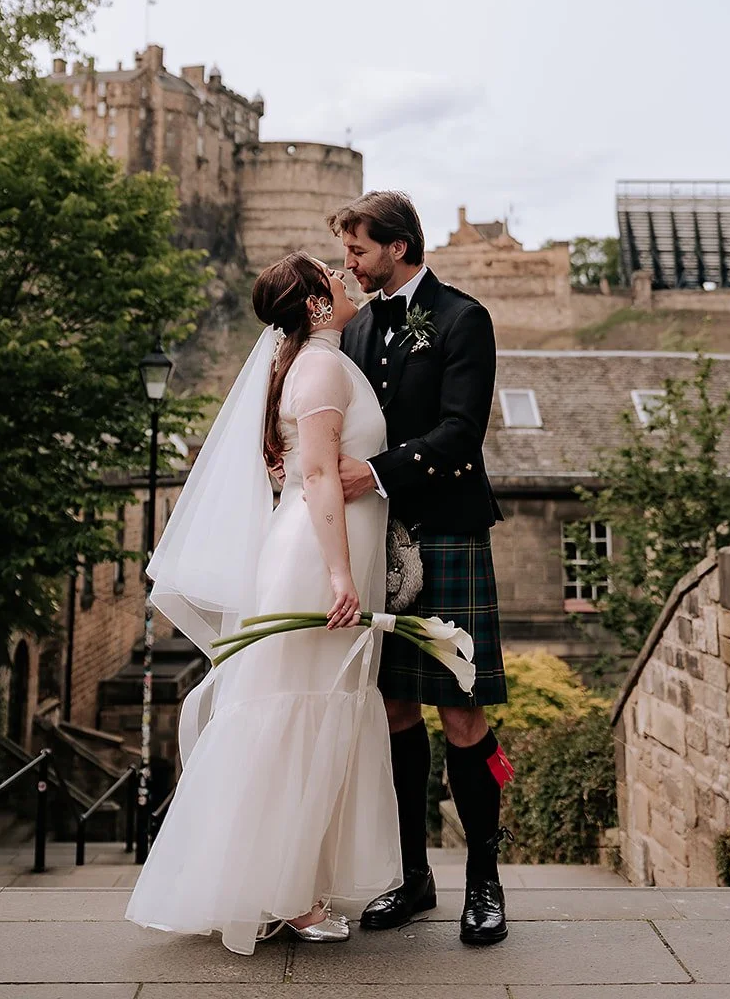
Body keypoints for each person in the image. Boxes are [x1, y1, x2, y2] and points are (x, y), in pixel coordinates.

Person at [125, 253, 400, 955]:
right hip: (314, 560)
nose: (346, 282)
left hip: (314, 553)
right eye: (332, 280)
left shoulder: (309, 364)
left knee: (298, 710)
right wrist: (340, 576)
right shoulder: (319, 369)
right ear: (313, 304)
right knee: (295, 715)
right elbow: (313, 477)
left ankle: (276, 883)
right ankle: (291, 897)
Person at [330, 190, 509, 947]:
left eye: (358, 251)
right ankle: (411, 876)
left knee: (462, 712)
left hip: (446, 532)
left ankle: (484, 885)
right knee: (395, 712)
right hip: (379, 540)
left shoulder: (464, 318)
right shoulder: (359, 325)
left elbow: (460, 434)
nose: (349, 265)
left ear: (398, 248)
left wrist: (370, 475)